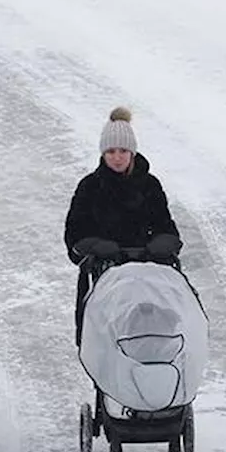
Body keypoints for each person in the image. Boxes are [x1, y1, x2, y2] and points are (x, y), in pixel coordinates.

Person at [64, 106, 182, 346]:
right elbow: (74, 235)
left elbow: (166, 227)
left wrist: (161, 244)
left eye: (122, 151)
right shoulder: (89, 187)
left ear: (132, 152)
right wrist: (95, 246)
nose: (116, 157)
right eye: (110, 151)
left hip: (147, 277)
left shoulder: (150, 185)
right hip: (104, 276)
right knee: (105, 343)